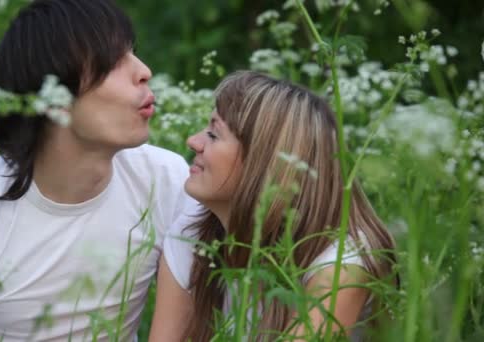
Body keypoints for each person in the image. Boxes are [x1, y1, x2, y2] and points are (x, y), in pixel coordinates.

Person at [0, 0, 192, 340]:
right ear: (52, 98)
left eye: (134, 53)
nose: (144, 71)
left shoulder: (165, 179)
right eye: (113, 60)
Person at [149, 71, 398, 341]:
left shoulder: (342, 262)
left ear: (263, 162)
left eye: (213, 133)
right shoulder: (191, 234)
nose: (194, 141)